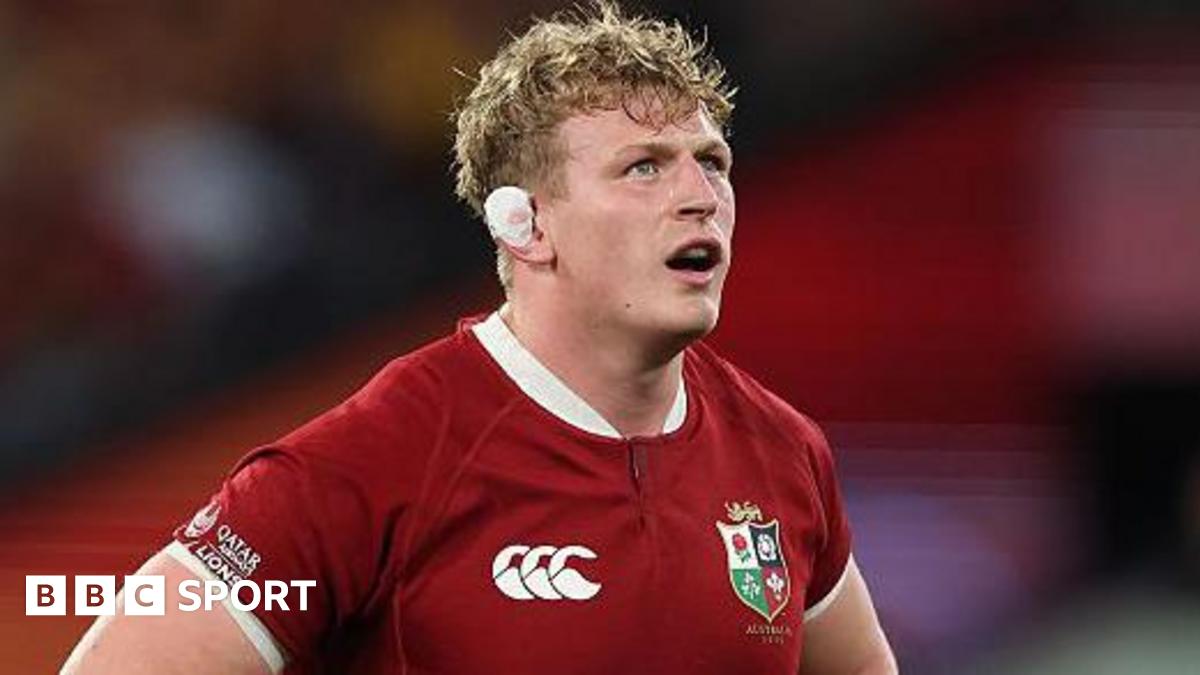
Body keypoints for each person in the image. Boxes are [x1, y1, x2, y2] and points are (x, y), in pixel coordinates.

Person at [62, 2, 896, 673]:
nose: (700, 195)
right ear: (524, 224)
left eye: (711, 161)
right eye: (643, 166)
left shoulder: (782, 452)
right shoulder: (378, 458)